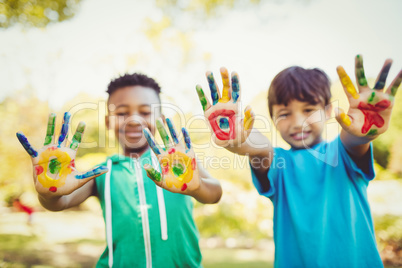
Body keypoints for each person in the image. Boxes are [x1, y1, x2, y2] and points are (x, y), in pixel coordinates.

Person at [195, 56, 401, 267]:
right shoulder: (280, 164)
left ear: (328, 111)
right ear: (273, 119)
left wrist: (365, 131)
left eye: (309, 110)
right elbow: (260, 149)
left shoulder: (341, 153)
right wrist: (239, 138)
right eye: (284, 114)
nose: (298, 123)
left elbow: (355, 140)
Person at [16, 73, 222, 267]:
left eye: (145, 112)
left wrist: (196, 187)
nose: (134, 120)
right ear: (108, 121)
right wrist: (49, 193)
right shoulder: (102, 171)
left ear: (160, 118)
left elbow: (214, 194)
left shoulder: (180, 163)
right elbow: (60, 202)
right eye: (122, 113)